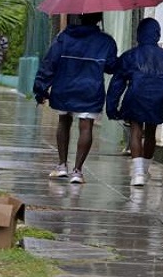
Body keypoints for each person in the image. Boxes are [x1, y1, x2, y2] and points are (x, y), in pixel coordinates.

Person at [33, 12, 118, 184]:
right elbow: (110, 67)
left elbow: (50, 63)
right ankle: (78, 171)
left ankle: (61, 165)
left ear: (80, 17)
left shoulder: (64, 37)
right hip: (91, 89)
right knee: (86, 127)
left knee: (64, 122)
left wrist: (40, 88)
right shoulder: (106, 41)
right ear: (99, 19)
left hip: (65, 87)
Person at [106, 18, 163, 187]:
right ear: (157, 35)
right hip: (157, 100)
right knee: (150, 134)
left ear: (138, 35)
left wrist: (111, 107)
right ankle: (144, 170)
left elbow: (117, 82)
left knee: (136, 132)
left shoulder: (130, 55)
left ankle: (137, 174)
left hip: (135, 97)